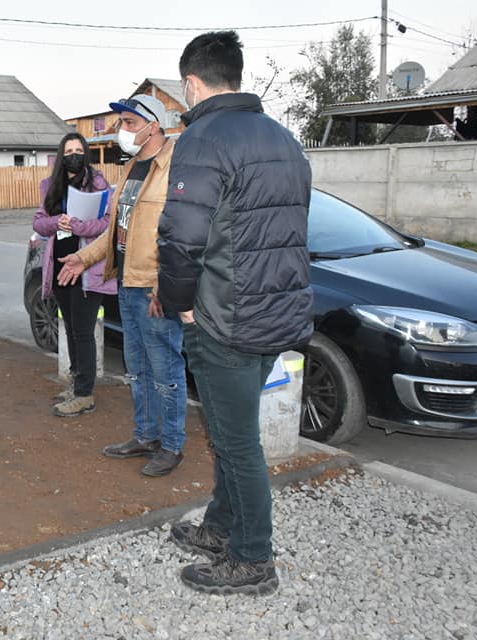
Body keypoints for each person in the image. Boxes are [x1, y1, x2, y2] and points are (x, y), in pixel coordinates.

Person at [157, 31, 313, 595]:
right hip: (274, 313)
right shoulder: (284, 138)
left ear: (192, 83)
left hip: (224, 316)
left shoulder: (203, 139)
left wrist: (179, 305)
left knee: (236, 440)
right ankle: (222, 528)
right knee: (229, 432)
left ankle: (253, 559)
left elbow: (181, 237)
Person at [57, 95, 187, 477]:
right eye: (122, 123)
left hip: (154, 287)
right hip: (128, 283)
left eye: (129, 123)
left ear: (153, 125)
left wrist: (168, 284)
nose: (122, 131)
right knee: (138, 366)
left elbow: (182, 235)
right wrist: (84, 257)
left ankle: (173, 444)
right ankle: (146, 435)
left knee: (166, 367)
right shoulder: (131, 168)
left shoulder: (174, 168)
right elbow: (117, 233)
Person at [33, 133, 116, 417]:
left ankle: (84, 394)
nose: (74, 154)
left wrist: (78, 226)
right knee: (69, 329)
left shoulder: (98, 184)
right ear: (61, 155)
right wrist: (59, 221)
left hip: (86, 269)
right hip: (59, 267)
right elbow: (39, 222)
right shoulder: (50, 185)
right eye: (69, 150)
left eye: (79, 150)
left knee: (83, 332)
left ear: (86, 153)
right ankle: (76, 383)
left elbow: (107, 224)